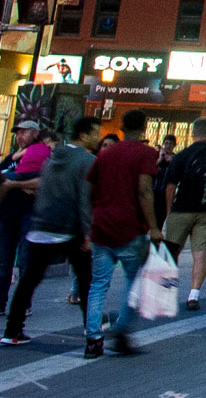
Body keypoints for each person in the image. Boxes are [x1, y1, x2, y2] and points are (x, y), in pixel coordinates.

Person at [2, 117, 97, 347]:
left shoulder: (52, 157)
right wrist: (87, 231)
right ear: (84, 134)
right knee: (85, 279)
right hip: (70, 227)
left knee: (28, 280)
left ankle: (13, 330)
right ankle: (91, 328)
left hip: (42, 225)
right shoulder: (87, 160)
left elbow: (42, 187)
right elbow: (84, 197)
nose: (98, 136)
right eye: (96, 132)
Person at [83, 110, 159, 357]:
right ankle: (122, 330)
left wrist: (95, 213)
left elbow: (90, 189)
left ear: (123, 127)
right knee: (135, 282)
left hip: (102, 228)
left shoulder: (105, 155)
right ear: (144, 127)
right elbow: (145, 191)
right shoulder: (147, 154)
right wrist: (155, 227)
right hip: (130, 229)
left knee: (98, 284)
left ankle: (93, 339)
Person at [162, 119, 206, 309]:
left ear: (193, 133)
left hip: (182, 209)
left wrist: (169, 210)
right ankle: (193, 295)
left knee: (171, 251)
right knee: (200, 254)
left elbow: (170, 186)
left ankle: (166, 292)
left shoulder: (183, 155)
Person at [0, 122, 46, 308]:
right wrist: (23, 184)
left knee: (26, 261)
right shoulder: (10, 157)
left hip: (29, 213)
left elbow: (42, 182)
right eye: (18, 132)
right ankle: (1, 301)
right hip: (7, 213)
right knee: (3, 261)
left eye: (24, 132)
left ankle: (22, 304)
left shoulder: (40, 154)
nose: (20, 136)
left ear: (35, 134)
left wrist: (12, 183)